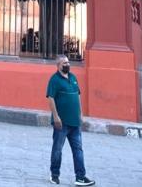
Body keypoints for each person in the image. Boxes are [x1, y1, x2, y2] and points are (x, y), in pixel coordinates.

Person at [46, 54, 95, 186]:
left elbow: (77, 96)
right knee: (57, 149)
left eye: (68, 62)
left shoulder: (73, 78)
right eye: (64, 63)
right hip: (61, 123)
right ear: (58, 66)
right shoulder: (54, 80)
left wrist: (80, 113)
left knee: (78, 150)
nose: (67, 65)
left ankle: (80, 177)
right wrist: (56, 117)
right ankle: (54, 174)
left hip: (75, 122)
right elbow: (50, 98)